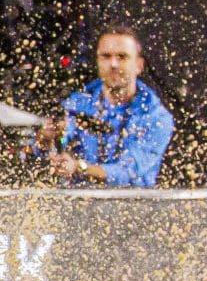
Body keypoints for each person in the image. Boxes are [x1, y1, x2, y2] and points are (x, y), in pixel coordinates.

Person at [37, 24, 174, 185]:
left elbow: (127, 172)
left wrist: (78, 167)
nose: (113, 64)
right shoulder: (78, 102)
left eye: (122, 57)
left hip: (134, 205)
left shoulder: (156, 117)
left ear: (139, 65)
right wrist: (47, 139)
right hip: (78, 204)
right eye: (106, 56)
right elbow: (53, 145)